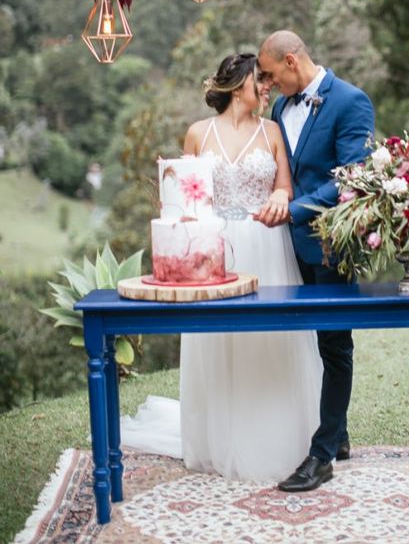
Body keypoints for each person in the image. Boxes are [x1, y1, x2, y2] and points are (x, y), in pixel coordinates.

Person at [120, 52, 322, 482]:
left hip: (266, 246)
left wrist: (280, 196)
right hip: (212, 249)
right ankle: (218, 438)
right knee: (216, 340)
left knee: (268, 343)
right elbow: (181, 197)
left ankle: (273, 437)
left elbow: (285, 187)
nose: (266, 87)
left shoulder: (272, 131)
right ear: (236, 85)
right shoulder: (198, 133)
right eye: (259, 80)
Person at [257, 30, 375, 492]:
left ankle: (322, 455)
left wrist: (294, 209)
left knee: (335, 345)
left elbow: (353, 177)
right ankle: (337, 433)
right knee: (306, 343)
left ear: (291, 61)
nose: (268, 84)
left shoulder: (350, 101)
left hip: (332, 246)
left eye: (271, 74)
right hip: (287, 248)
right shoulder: (279, 109)